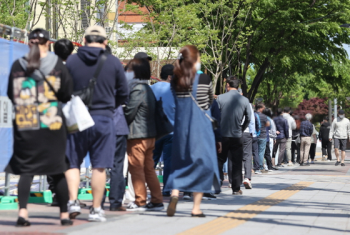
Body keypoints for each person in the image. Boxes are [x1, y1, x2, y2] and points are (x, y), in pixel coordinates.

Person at [5, 28, 73, 226]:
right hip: (51, 123)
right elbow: (67, 94)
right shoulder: (57, 65)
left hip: (25, 124)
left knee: (27, 169)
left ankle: (23, 213)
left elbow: (12, 94)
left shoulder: (18, 65)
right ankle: (64, 215)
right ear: (48, 43)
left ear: (29, 43)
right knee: (58, 168)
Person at [65, 26, 128, 222]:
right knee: (99, 166)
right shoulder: (114, 62)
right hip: (103, 118)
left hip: (77, 118)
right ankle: (96, 209)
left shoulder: (72, 60)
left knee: (72, 162)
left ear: (83, 40)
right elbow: (124, 93)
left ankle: (73, 201)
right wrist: (109, 105)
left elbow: (62, 89)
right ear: (105, 42)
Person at [165, 45, 221, 217]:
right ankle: (196, 208)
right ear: (195, 60)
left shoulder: (176, 80)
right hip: (201, 128)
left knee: (180, 162)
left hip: (181, 128)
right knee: (203, 164)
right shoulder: (204, 78)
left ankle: (175, 194)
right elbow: (208, 102)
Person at [124, 59, 164, 211]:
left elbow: (129, 112)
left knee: (136, 168)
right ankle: (156, 199)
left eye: (129, 70)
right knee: (148, 169)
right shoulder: (147, 89)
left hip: (137, 135)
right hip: (149, 135)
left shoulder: (137, 90)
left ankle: (140, 200)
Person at [46, 38, 75, 207]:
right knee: (71, 157)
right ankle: (70, 194)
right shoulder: (73, 68)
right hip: (71, 118)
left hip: (51, 117)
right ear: (71, 51)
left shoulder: (47, 68)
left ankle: (57, 193)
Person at [151, 64, 175, 197]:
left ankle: (146, 188)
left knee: (151, 161)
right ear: (170, 77)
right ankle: (167, 189)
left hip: (154, 131)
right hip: (171, 131)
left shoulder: (150, 88)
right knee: (169, 162)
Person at [237, 88, 255, 189]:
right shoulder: (246, 102)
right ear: (242, 93)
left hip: (234, 132)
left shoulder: (230, 102)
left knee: (236, 156)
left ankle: (235, 180)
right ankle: (247, 178)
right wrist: (252, 132)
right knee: (247, 155)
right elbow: (251, 119)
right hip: (247, 132)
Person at [255, 103, 270, 173]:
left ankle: (255, 166)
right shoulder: (264, 116)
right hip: (262, 135)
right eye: (263, 108)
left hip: (254, 135)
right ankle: (260, 166)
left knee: (255, 152)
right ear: (260, 108)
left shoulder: (253, 115)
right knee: (261, 152)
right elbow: (268, 124)